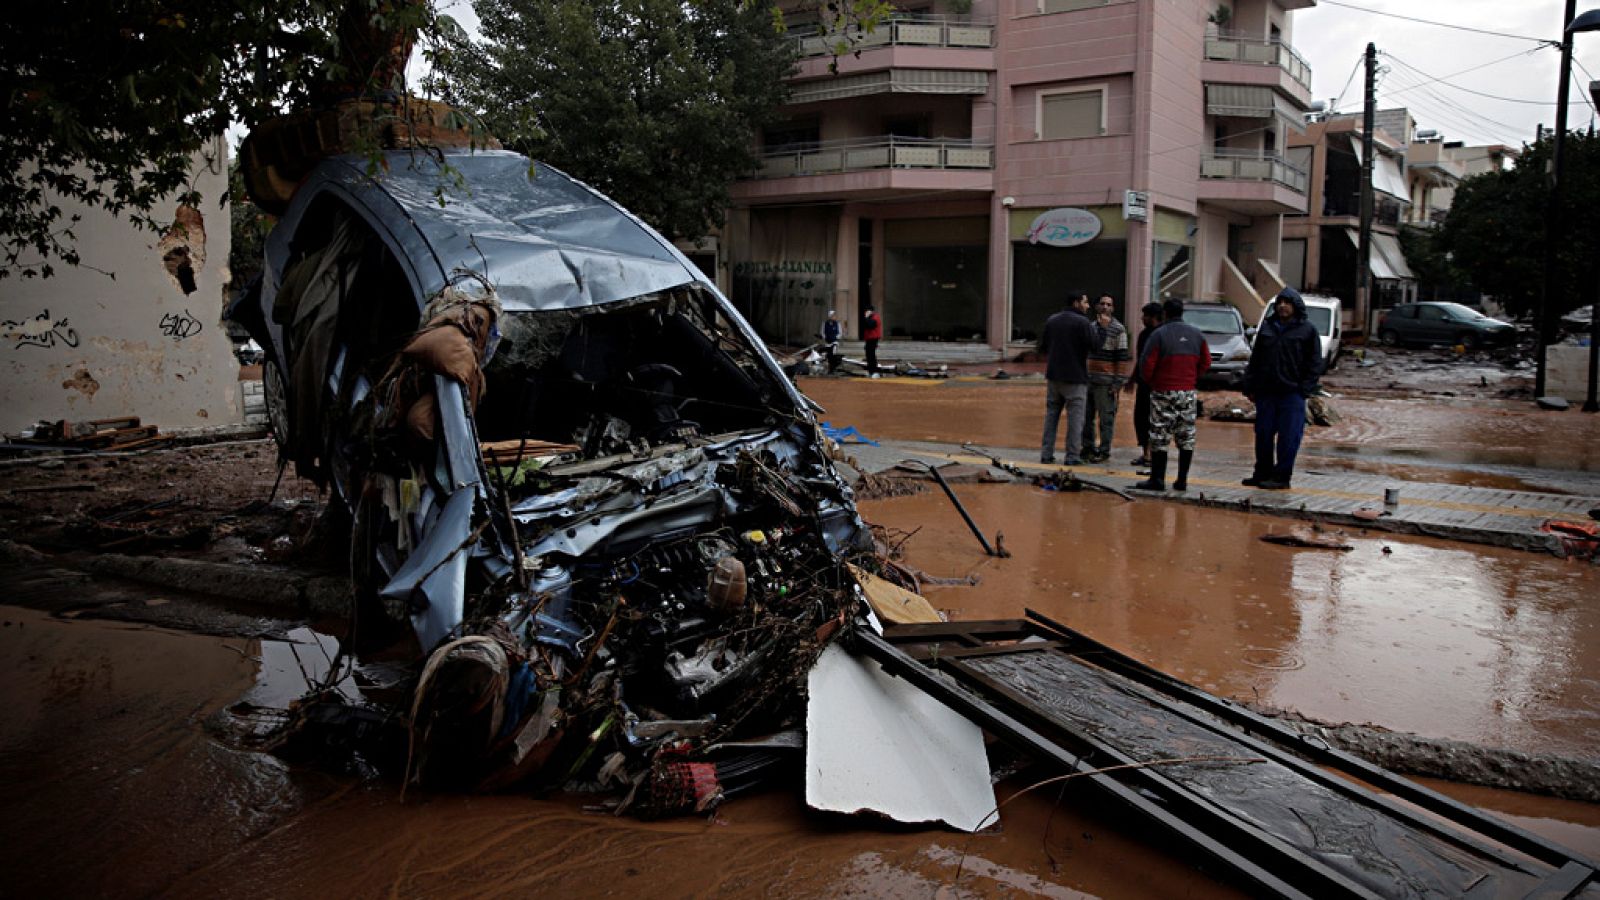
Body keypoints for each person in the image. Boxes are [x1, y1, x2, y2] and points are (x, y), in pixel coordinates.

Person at [1242, 287, 1325, 490]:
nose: (1282, 306)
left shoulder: (1307, 331)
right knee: (1263, 434)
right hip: (1266, 392)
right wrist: (1250, 385)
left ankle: (1282, 477)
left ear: (1295, 306)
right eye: (1279, 303)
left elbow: (1315, 363)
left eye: (1287, 303)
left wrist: (1305, 389)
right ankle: (1262, 472)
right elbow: (1256, 359)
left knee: (1289, 437)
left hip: (1292, 393)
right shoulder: (1268, 328)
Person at [1134, 298, 1210, 491]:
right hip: (1187, 392)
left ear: (1165, 314)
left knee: (1159, 435)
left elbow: (1146, 365)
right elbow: (1206, 362)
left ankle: (1158, 479)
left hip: (1162, 391)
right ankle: (1182, 480)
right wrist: (1191, 379)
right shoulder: (1197, 334)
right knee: (1186, 435)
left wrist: (1153, 383)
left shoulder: (1158, 335)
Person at [1038, 290, 1097, 465]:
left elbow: (1044, 347)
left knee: (1051, 416)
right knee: (1075, 420)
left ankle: (1046, 454)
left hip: (1054, 376)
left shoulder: (1052, 320)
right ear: (1076, 303)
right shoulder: (1083, 322)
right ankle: (1072, 456)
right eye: (1085, 302)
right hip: (1075, 378)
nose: (1087, 306)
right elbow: (1095, 346)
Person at [1081, 295, 1131, 462]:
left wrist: (1117, 383)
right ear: (1096, 307)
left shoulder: (1119, 329)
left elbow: (1122, 358)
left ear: (1113, 308)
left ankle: (1104, 451)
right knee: (1086, 418)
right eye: (1102, 304)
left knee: (1106, 419)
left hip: (1106, 382)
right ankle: (1088, 448)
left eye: (1108, 304)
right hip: (1088, 380)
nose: (1105, 307)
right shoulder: (1091, 327)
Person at [1126, 301, 1164, 466]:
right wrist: (1133, 379)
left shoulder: (1161, 334)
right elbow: (1141, 359)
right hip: (1143, 384)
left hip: (1157, 385)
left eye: (1145, 316)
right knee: (1140, 418)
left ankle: (1152, 455)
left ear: (1153, 317)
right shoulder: (1143, 335)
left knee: (1153, 419)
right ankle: (1146, 453)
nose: (1142, 318)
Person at [861, 306, 883, 377]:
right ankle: (870, 371)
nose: (866, 313)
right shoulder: (869, 318)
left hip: (873, 339)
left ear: (871, 311)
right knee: (868, 355)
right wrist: (866, 318)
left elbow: (871, 325)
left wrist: (866, 318)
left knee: (872, 355)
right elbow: (865, 325)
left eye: (868, 311)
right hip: (868, 339)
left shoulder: (875, 317)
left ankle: (874, 371)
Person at [821, 310, 843, 374]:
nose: (834, 317)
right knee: (828, 356)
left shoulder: (837, 323)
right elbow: (822, 332)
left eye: (834, 315)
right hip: (827, 342)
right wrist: (825, 337)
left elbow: (840, 333)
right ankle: (829, 369)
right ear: (829, 316)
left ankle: (833, 368)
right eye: (832, 315)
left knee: (833, 355)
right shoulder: (824, 323)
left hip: (834, 342)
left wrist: (836, 337)